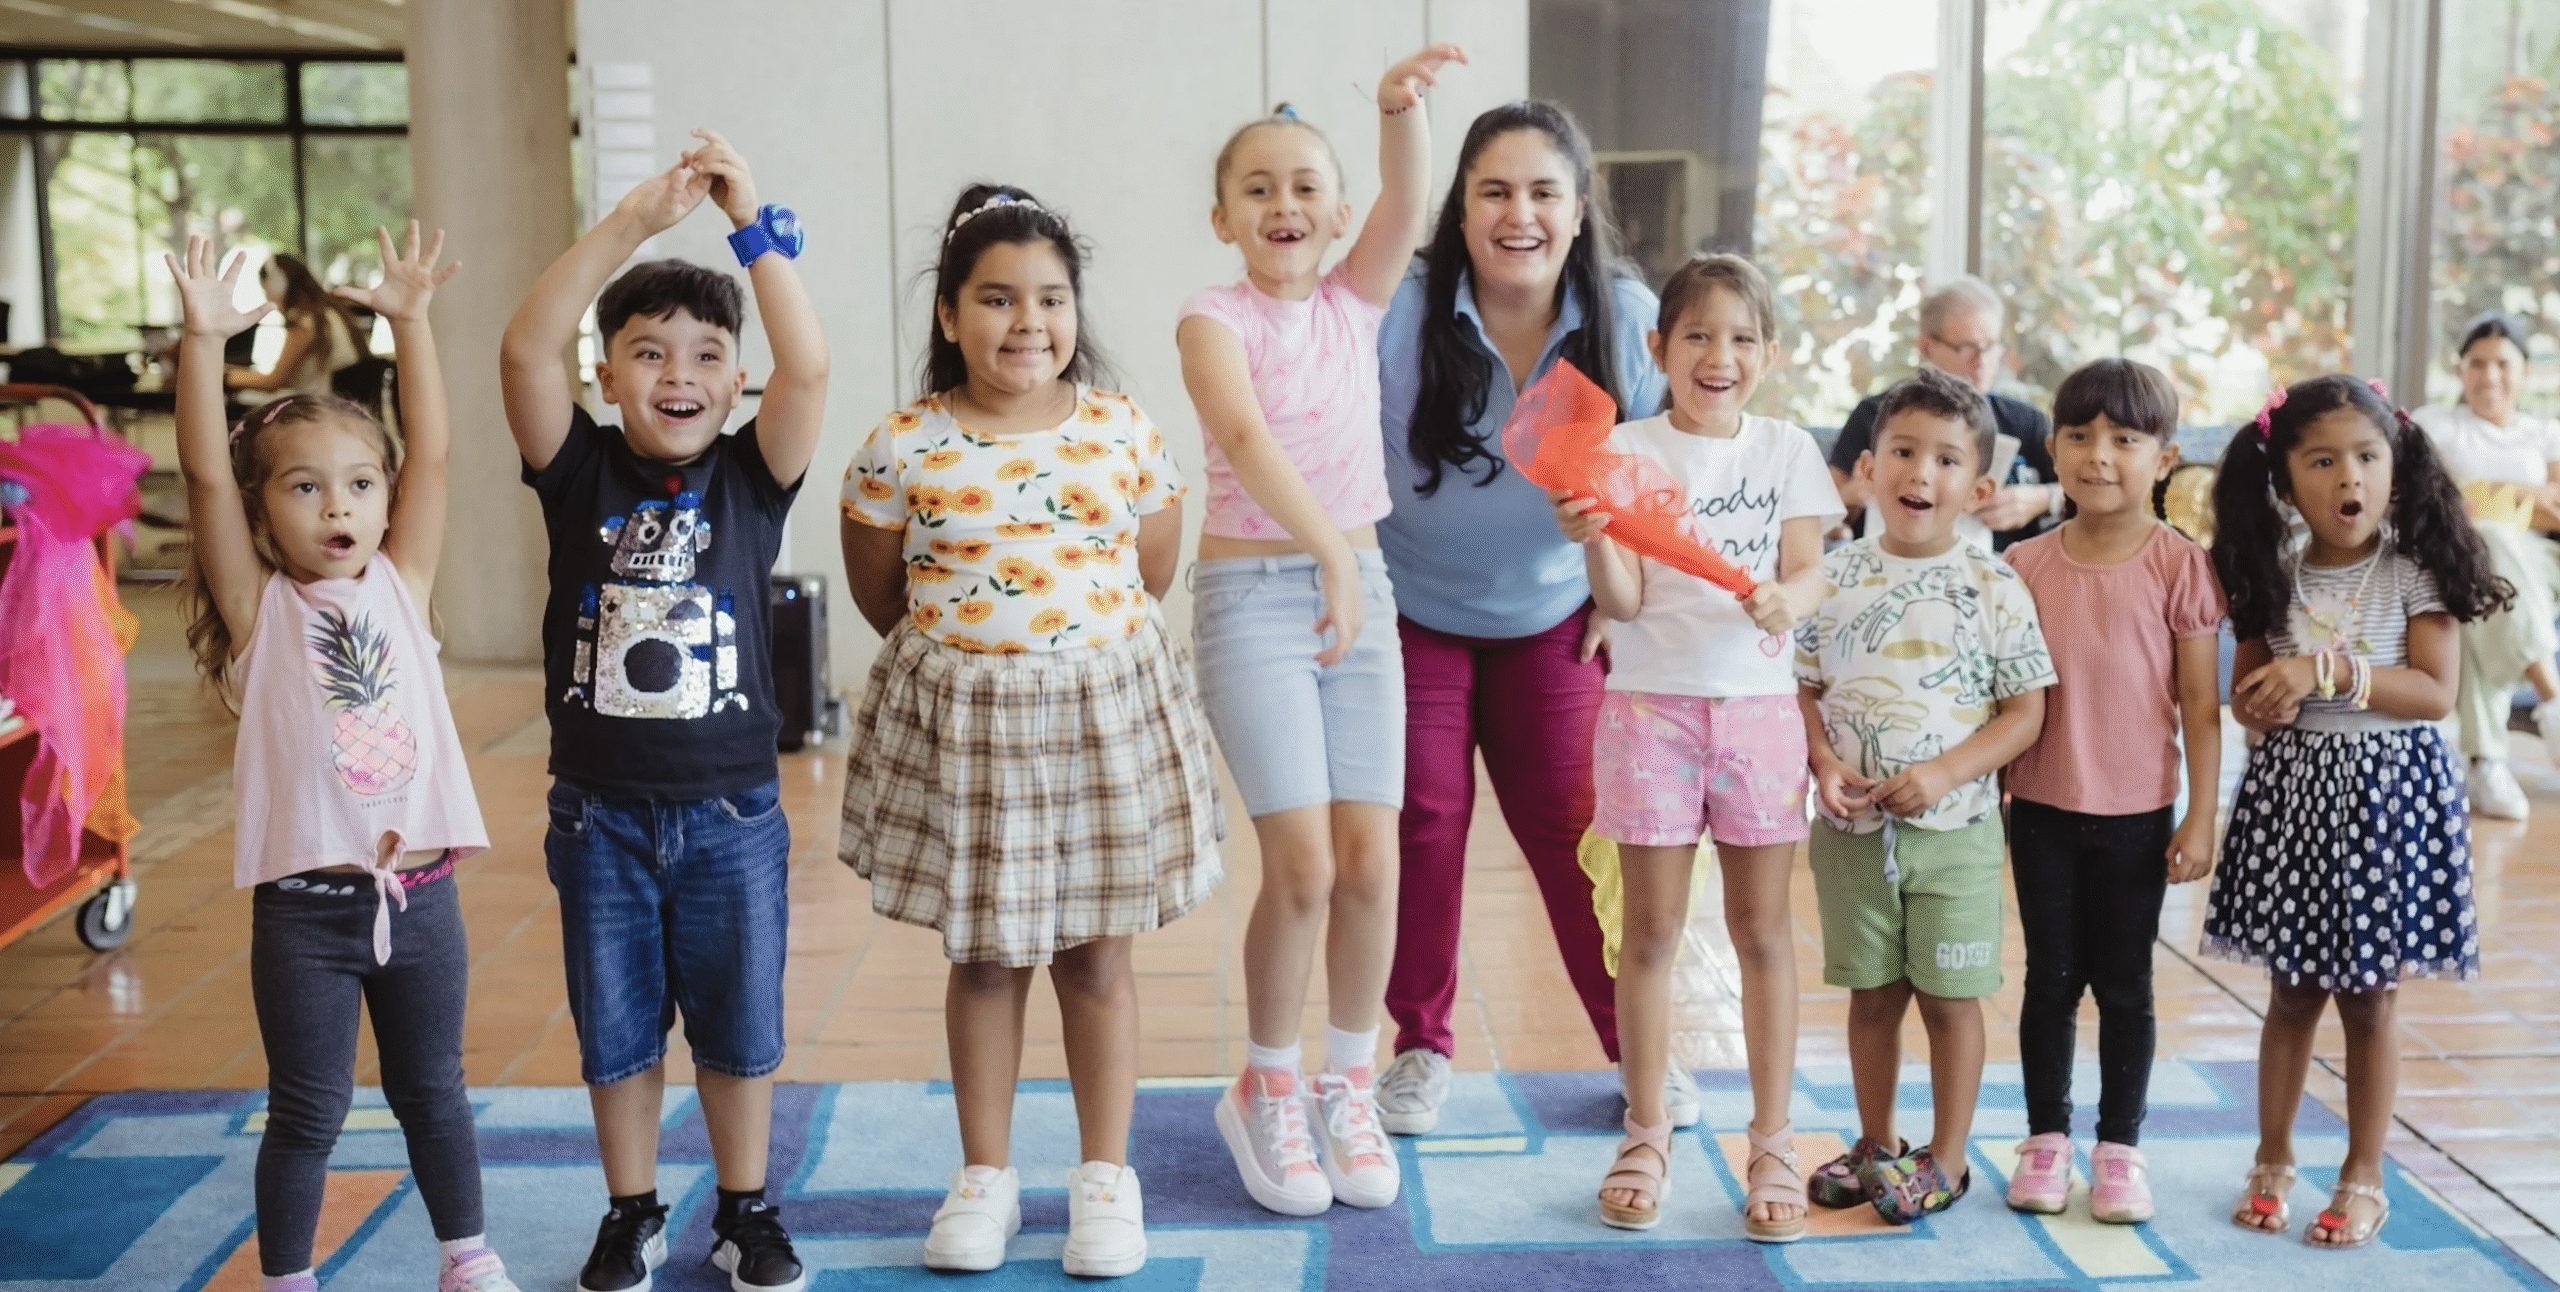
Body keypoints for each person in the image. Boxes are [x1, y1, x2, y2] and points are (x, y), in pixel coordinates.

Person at [838, 184, 1223, 1280]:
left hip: (1100, 714)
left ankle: (1105, 1178)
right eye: (997, 299)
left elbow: (1151, 565)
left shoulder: (1119, 428)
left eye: (1050, 299)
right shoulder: (903, 444)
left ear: (1076, 309)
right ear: (950, 314)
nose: (1028, 323)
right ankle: (987, 1177)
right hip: (973, 726)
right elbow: (882, 591)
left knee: (1099, 956)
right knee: (989, 955)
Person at [497, 131, 827, 1292]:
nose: (677, 373)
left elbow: (813, 368)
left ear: (735, 378)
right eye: (647, 353)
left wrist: (751, 227)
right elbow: (526, 344)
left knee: (739, 1032)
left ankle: (746, 1207)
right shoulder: (579, 468)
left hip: (733, 809)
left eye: (704, 353)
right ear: (609, 377)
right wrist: (635, 222)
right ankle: (630, 1208)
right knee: (619, 1030)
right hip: (600, 814)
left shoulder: (751, 474)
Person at [169, 226, 518, 1292]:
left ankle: (467, 1253)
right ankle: (289, 1276)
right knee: (308, 1107)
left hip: (422, 898)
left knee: (435, 1090)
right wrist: (199, 342)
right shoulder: (259, 609)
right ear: (264, 510)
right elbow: (200, 474)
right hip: (305, 910)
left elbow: (441, 454)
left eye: (361, 484)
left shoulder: (401, 585)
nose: (340, 507)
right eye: (305, 488)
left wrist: (411, 322)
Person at [1181, 45, 1464, 1217]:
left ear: (1338, 212)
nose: (1284, 204)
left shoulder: (1358, 297)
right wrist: (1336, 552)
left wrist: (1399, 112)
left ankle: (1350, 1080)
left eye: (1305, 186)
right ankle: (1265, 1081)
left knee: (1370, 858)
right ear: (1222, 217)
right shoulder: (1211, 318)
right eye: (1258, 187)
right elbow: (1245, 446)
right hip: (1255, 599)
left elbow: (1411, 197)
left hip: (1362, 595)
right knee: (1298, 865)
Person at [1372, 100, 1672, 1137]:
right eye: (1493, 191)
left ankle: (1637, 1045)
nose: (1519, 214)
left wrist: (1615, 596)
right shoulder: (1401, 311)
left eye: (1543, 192)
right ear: (1459, 209)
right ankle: (1418, 1044)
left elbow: (1669, 473)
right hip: (1412, 608)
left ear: (1579, 211)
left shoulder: (1626, 317)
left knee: (1578, 827)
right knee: (1424, 819)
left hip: (1555, 610)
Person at [1551, 254, 1838, 1238]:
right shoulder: (1623, 449)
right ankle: (1644, 1129)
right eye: (1699, 336)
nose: (1720, 355)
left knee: (1763, 936)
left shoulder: (1788, 449)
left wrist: (1783, 598)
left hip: (1758, 714)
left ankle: (1769, 1141)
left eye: (1742, 337)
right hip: (1647, 710)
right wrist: (1592, 534)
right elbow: (1622, 598)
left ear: (1769, 352)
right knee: (1649, 938)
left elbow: (1809, 573)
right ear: (1658, 347)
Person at [2207, 375, 2497, 1250]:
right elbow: (2248, 693)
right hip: (2296, 800)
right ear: (2286, 479)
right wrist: (2260, 703)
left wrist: (2327, 673)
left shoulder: (2417, 570)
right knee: (2291, 993)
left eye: (2367, 457)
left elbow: (2434, 693)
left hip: (2387, 805)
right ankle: (2272, 1157)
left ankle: (2364, 1171)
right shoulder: (2274, 571)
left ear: (2396, 470)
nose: (2349, 478)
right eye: (2323, 460)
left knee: (2370, 1000)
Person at [1795, 366, 2055, 1223]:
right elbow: (1801, 688)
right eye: (1903, 452)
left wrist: (1946, 773)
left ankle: (1946, 1160)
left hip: (1959, 835)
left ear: (1978, 487)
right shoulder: (1829, 579)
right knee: (1872, 994)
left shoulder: (1994, 587)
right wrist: (1823, 760)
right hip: (1853, 834)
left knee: (1949, 997)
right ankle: (1877, 1144)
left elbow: (2026, 712)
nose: (1920, 474)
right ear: (1868, 467)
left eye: (1946, 460)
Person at [2000, 359, 2225, 1224]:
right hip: (2042, 811)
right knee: (2049, 980)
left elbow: (2201, 708)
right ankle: (2045, 1140)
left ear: (2163, 458)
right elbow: (1999, 700)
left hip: (2139, 816)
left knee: (2125, 983)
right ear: (2053, 448)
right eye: (2081, 436)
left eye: (2125, 440)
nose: (2100, 456)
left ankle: (2120, 1147)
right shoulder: (2021, 565)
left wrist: (2202, 815)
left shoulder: (2181, 566)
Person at [2410, 312, 2560, 821]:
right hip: (2460, 557)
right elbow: (2439, 504)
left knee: (2481, 578)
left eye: (2502, 363)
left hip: (2543, 565)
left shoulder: (2546, 433)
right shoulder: (2437, 423)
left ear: (2525, 371)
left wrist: (2483, 495)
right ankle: (2550, 701)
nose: (2489, 376)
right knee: (2479, 567)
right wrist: (2523, 498)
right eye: (2477, 363)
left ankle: (2486, 760)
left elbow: (2557, 510)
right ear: (2461, 370)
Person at [1826, 276, 2063, 551]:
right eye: (1967, 348)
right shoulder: (1877, 415)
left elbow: (2088, 490)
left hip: (2008, 569)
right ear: (1927, 346)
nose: (1982, 362)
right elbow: (1823, 511)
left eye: (1991, 347)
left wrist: (2043, 499)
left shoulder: (2026, 421)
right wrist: (1855, 496)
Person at [227, 253, 366, 401]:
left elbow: (275, 381)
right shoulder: (328, 312)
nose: (268, 298)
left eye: (266, 291)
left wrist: (225, 377)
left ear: (279, 285)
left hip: (320, 404)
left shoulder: (306, 322)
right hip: (340, 402)